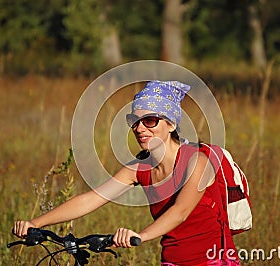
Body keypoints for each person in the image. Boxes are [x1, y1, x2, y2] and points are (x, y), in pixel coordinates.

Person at [14, 80, 241, 265]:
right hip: (172, 261)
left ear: (171, 124)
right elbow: (91, 199)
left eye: (150, 120)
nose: (139, 128)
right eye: (134, 121)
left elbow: (180, 212)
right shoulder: (139, 169)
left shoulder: (197, 162)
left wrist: (140, 236)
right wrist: (36, 223)